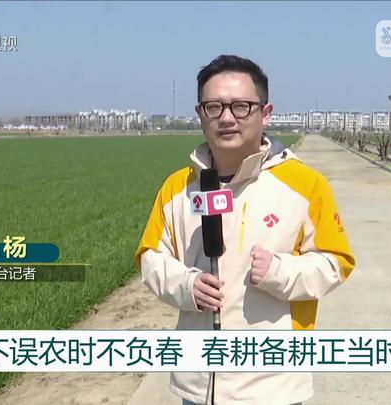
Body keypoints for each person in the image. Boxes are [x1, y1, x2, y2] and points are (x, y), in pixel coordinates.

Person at [135, 55, 356, 405]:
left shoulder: (305, 185)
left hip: (274, 385)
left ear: (265, 113)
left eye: (241, 107)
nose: (226, 118)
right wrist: (187, 286)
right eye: (214, 107)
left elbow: (335, 263)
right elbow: (151, 258)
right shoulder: (178, 188)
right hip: (197, 384)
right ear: (200, 113)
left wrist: (279, 272)